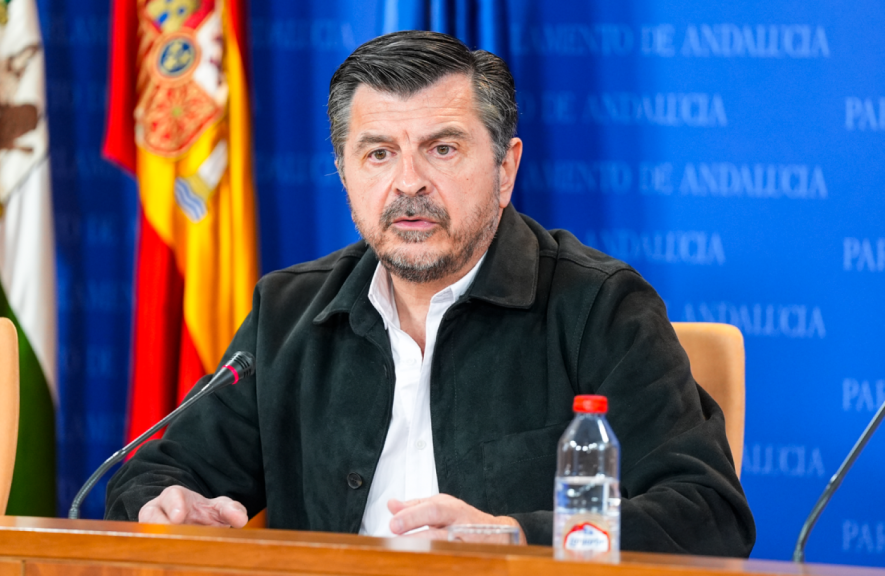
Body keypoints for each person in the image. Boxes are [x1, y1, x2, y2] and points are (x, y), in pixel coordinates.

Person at [105, 30, 756, 556]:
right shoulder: (288, 313)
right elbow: (153, 473)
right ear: (344, 173)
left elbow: (709, 514)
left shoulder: (601, 308)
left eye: (442, 149)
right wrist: (168, 501)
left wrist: (513, 538)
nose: (407, 183)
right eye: (378, 153)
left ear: (506, 169)